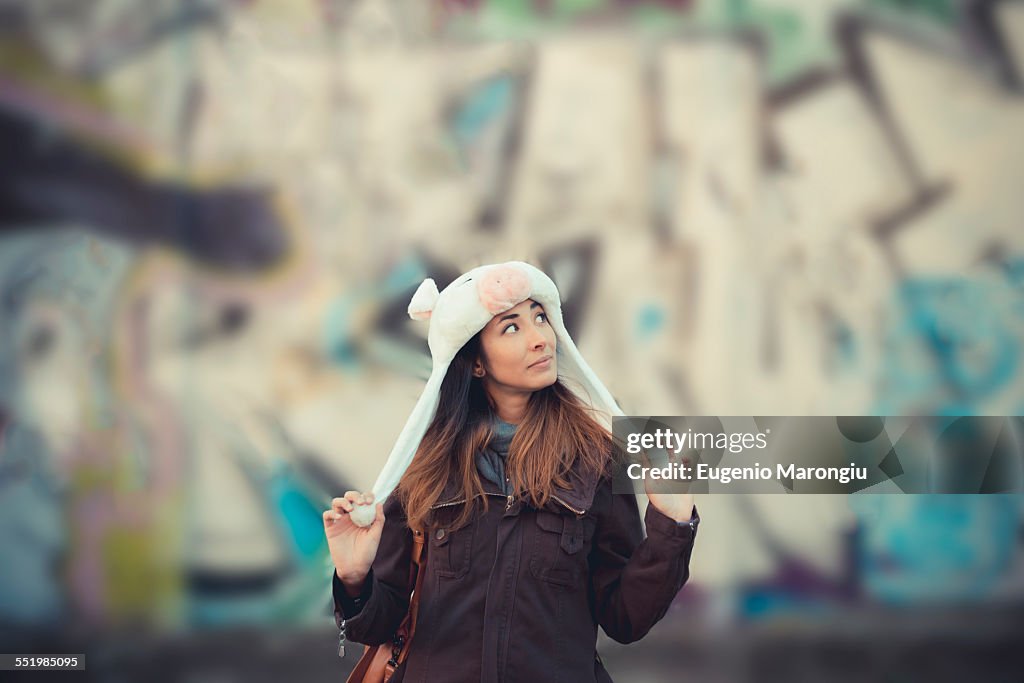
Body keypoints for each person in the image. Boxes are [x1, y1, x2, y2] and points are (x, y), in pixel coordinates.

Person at [323, 262, 699, 682]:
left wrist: (672, 524)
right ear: (476, 362)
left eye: (540, 318)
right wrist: (354, 579)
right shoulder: (425, 467)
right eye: (512, 328)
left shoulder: (597, 460)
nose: (540, 339)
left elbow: (626, 619)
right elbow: (378, 623)